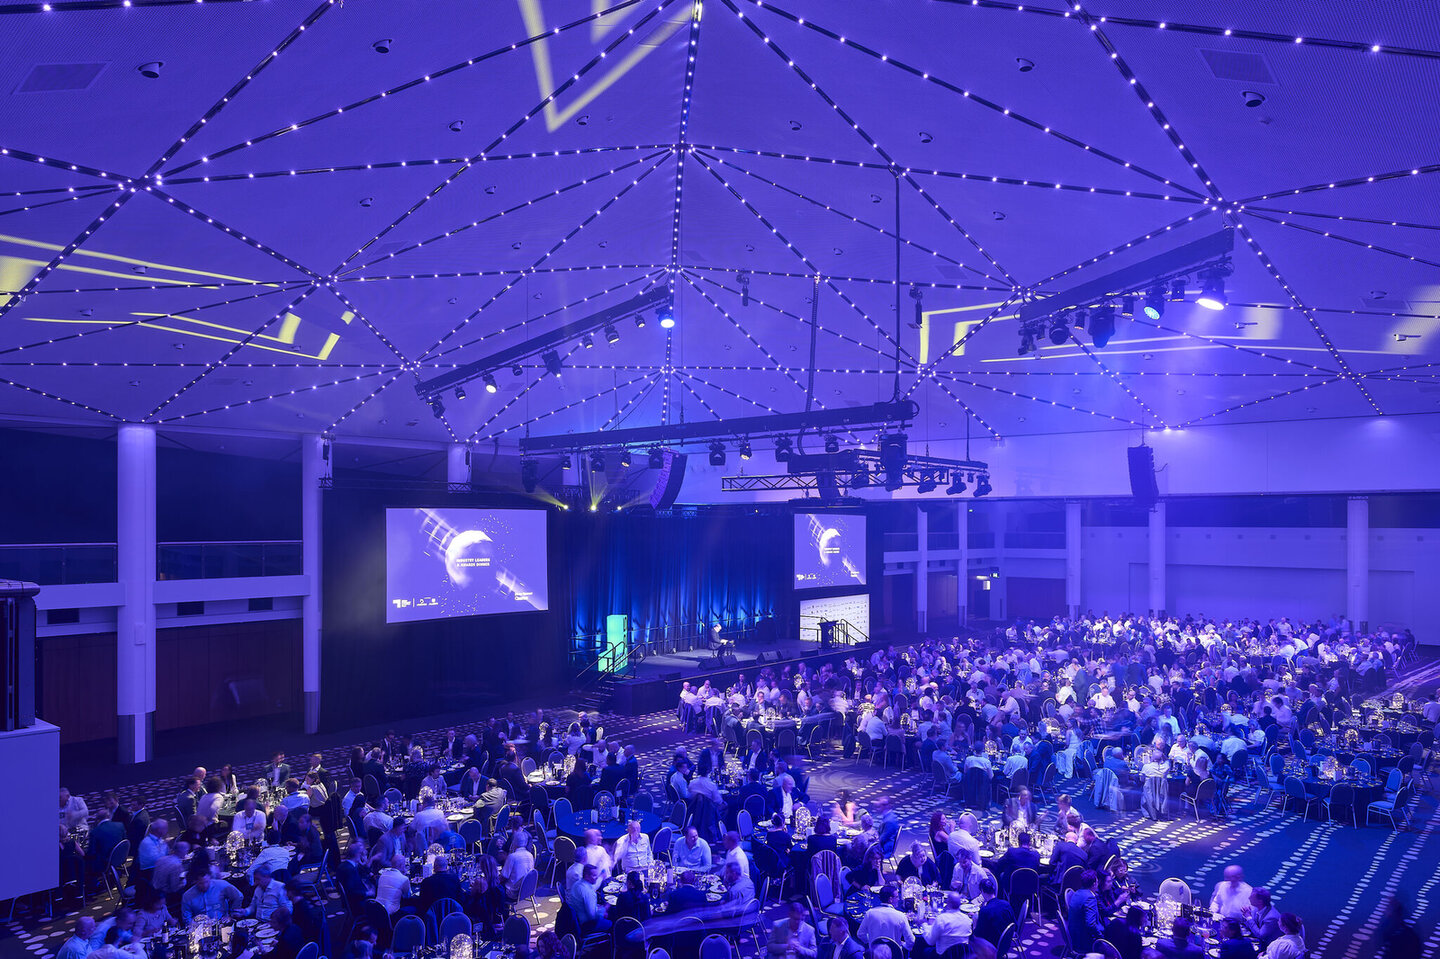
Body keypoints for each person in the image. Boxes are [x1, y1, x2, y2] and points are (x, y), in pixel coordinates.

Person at [855, 885, 914, 952]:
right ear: (890, 899)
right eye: (897, 897)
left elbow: (860, 934)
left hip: (874, 954)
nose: (898, 899)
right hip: (894, 955)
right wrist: (904, 946)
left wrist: (872, 941)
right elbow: (911, 940)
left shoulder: (869, 913)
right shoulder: (901, 916)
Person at [1065, 869, 1105, 955]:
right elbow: (1090, 924)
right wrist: (1101, 937)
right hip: (1083, 941)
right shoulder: (1090, 898)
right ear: (1094, 884)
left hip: (1074, 935)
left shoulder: (1077, 892)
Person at [922, 891, 974, 956]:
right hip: (962, 956)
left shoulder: (942, 919)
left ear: (948, 903)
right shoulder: (968, 920)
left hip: (943, 956)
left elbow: (930, 941)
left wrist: (926, 925)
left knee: (924, 950)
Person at [972, 876, 1015, 949]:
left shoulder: (984, 911)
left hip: (991, 947)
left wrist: (975, 921)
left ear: (982, 891)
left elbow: (977, 936)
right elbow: (1014, 923)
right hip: (1006, 942)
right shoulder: (1006, 904)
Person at [567, 863, 610, 934]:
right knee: (612, 922)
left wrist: (598, 908)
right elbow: (593, 917)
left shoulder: (577, 884)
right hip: (586, 924)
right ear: (586, 876)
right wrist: (605, 908)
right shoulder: (588, 892)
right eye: (594, 875)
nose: (597, 877)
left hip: (576, 920)